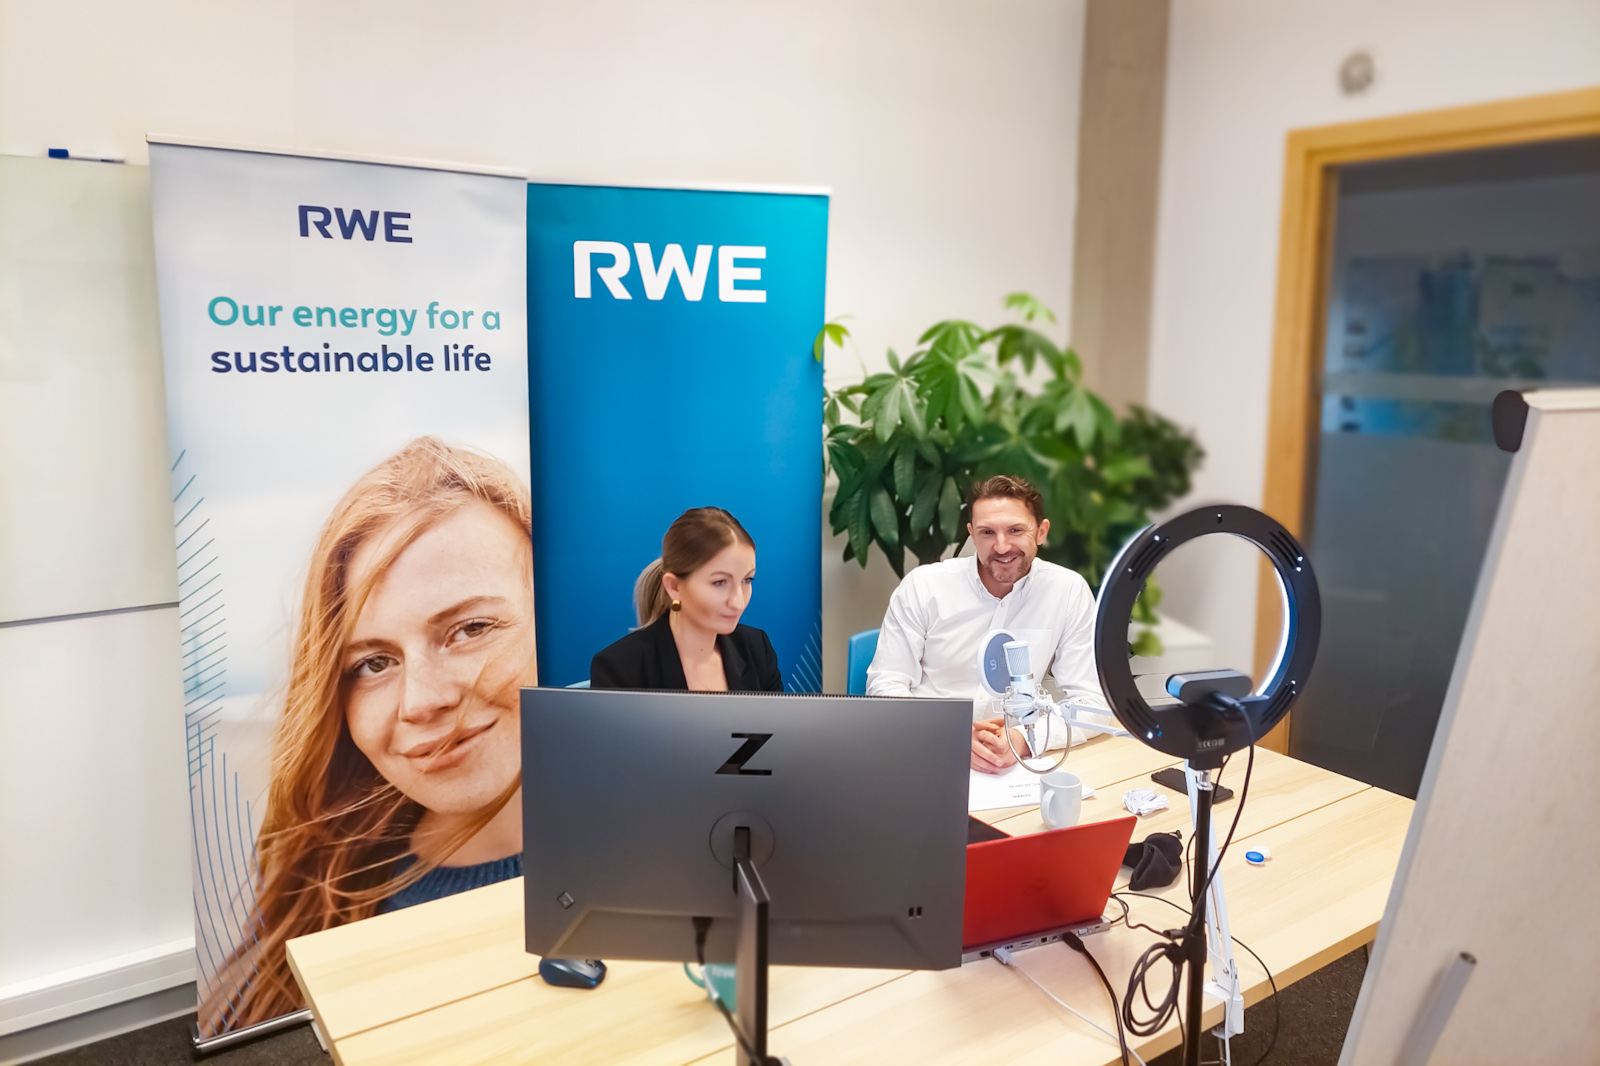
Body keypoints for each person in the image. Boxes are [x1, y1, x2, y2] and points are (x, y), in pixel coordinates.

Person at [200, 437, 536, 1031]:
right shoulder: (329, 898)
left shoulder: (679, 845)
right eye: (373, 663)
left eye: (470, 628)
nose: (422, 702)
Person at [866, 475, 1113, 774]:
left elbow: (1092, 703)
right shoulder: (924, 586)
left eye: (1015, 530)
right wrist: (949, 735)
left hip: (1014, 764)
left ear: (1041, 531)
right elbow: (885, 686)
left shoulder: (1067, 591)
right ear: (972, 534)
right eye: (987, 532)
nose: (1002, 546)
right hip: (927, 752)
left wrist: (1024, 739)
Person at [591, 507, 782, 691]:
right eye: (719, 582)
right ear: (674, 587)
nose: (738, 602)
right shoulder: (619, 668)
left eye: (747, 580)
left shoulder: (757, 649)